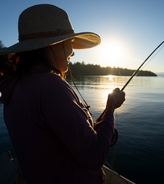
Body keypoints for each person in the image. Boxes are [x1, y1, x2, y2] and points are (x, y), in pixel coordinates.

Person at [0, 4, 125, 184]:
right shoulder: (51, 86)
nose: (72, 52)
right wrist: (110, 108)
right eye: (70, 43)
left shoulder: (14, 87)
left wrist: (92, 127)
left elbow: (49, 139)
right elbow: (94, 156)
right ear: (53, 46)